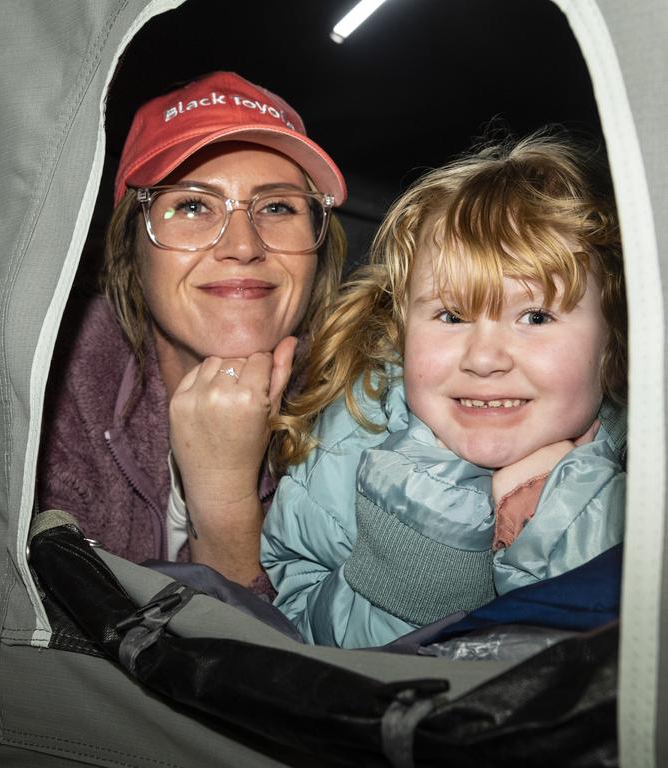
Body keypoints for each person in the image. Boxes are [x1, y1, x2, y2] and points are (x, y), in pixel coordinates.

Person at [260, 132, 627, 647]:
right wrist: (433, 533)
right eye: (451, 315)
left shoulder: (660, 479)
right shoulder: (344, 444)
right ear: (402, 329)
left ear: (613, 343)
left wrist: (565, 517)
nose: (483, 358)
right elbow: (294, 635)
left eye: (536, 315)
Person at [37, 71, 347, 592]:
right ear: (132, 254)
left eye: (276, 206)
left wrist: (222, 499)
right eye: (193, 205)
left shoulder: (372, 415)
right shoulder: (52, 398)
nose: (243, 245)